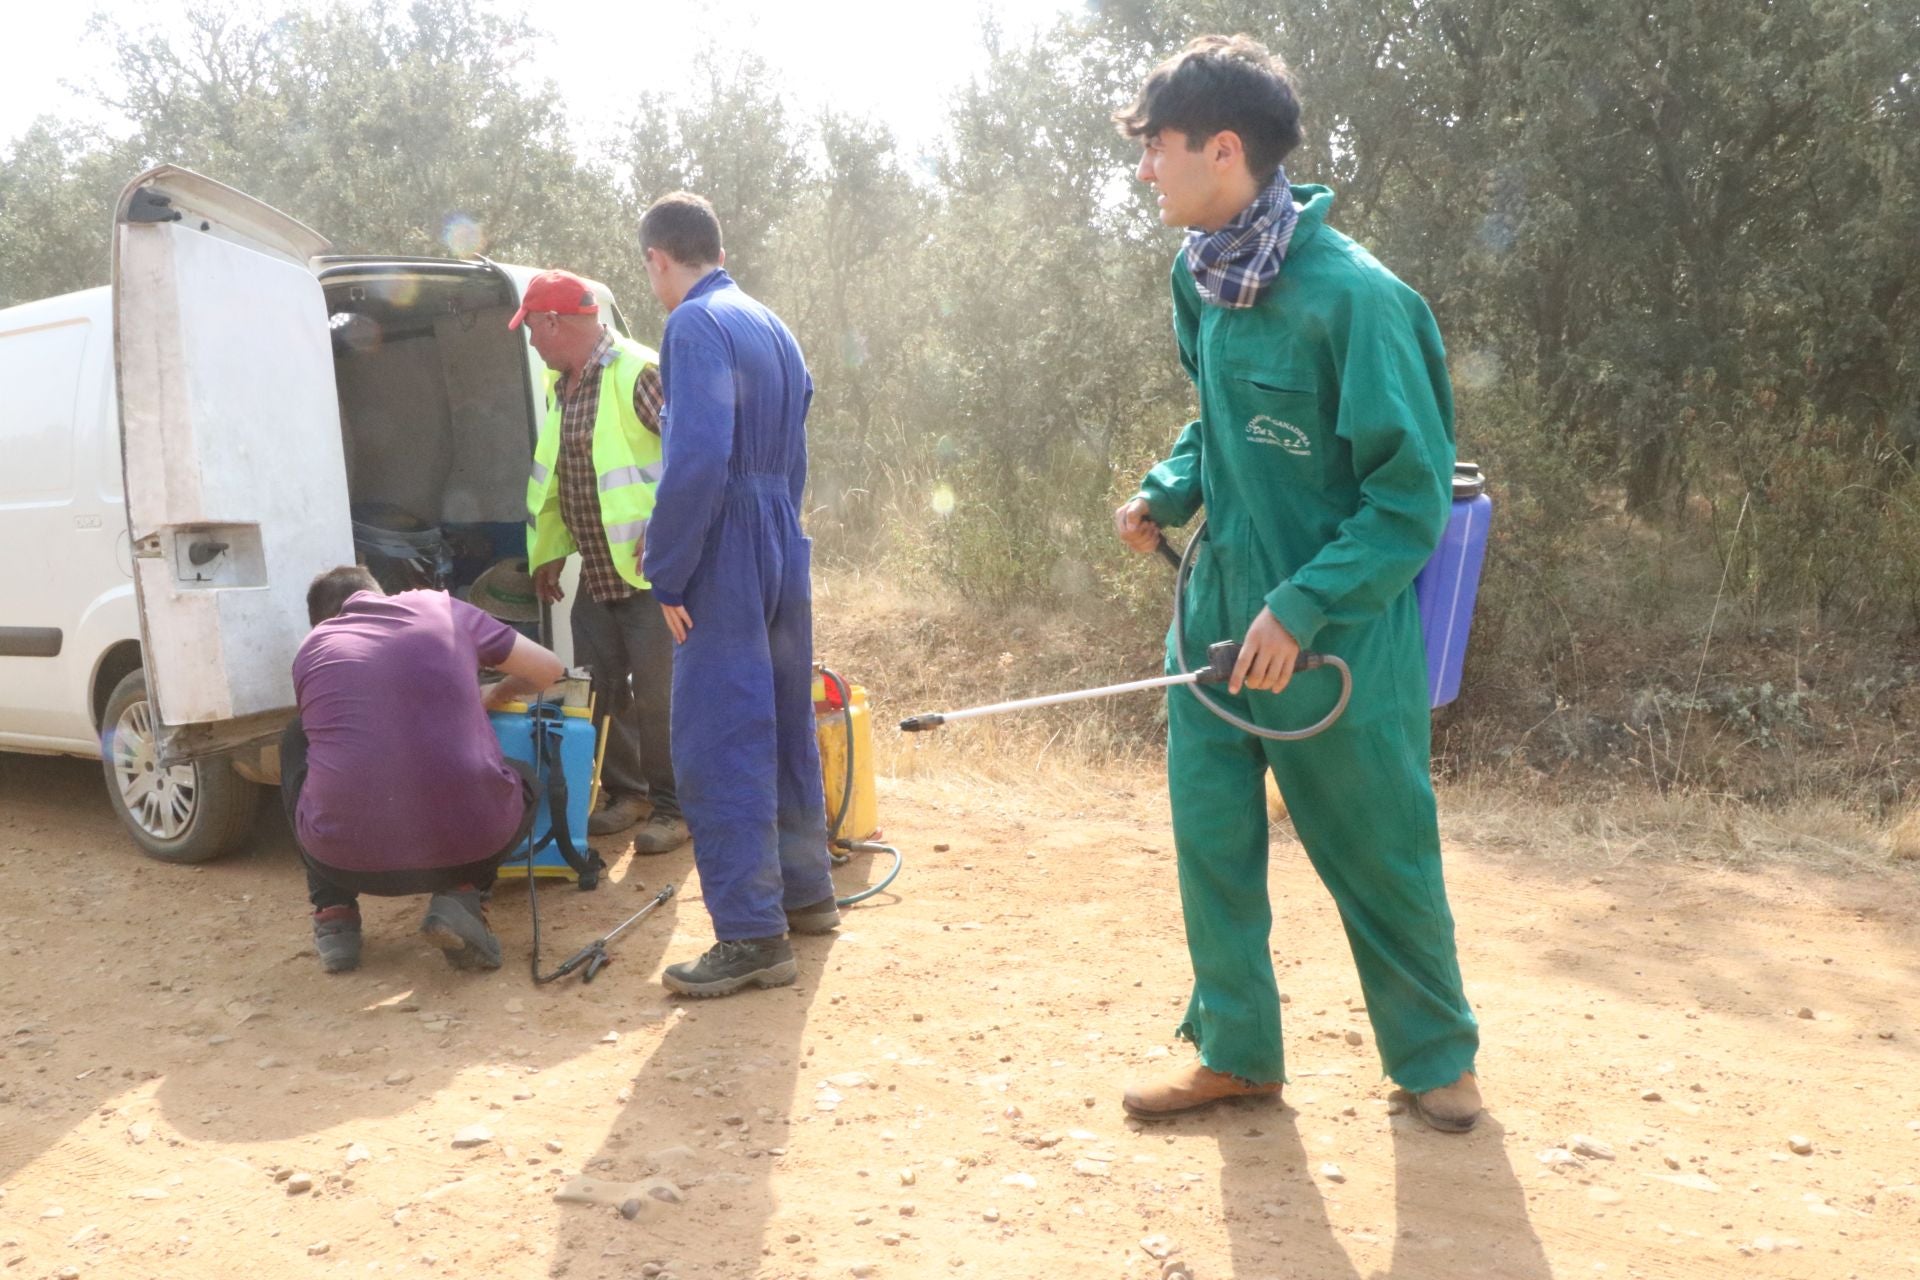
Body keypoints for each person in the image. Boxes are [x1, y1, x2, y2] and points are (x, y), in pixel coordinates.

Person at [1112, 35, 1483, 1132]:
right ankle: (1235, 1052)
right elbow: (1217, 423)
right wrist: (1167, 488)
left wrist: (1304, 606)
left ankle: (1435, 1056)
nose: (1146, 170)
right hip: (1215, 617)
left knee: (1380, 847)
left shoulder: (1357, 300)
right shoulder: (1199, 275)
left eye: (1159, 148)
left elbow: (1409, 500)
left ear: (1223, 150)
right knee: (1211, 840)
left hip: (1335, 637)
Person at [637, 191, 839, 998]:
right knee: (784, 721)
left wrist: (668, 570)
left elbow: (696, 457)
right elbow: (796, 450)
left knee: (720, 735)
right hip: (780, 533)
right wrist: (778, 526)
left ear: (658, 259)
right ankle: (806, 895)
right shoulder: (772, 324)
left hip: (725, 541)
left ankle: (752, 936)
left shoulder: (693, 324)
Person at [285, 566, 565, 974]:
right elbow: (550, 669)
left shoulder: (312, 648)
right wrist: (498, 691)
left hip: (342, 860)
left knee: (297, 738)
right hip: (469, 850)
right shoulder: (441, 608)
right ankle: (462, 895)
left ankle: (334, 915)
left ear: (323, 621)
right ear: (380, 595)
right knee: (524, 779)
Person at [514, 268, 690, 852]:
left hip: (654, 575)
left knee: (662, 697)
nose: (531, 342)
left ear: (554, 321)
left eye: (531, 328)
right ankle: (628, 793)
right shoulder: (559, 385)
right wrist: (549, 553)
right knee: (599, 688)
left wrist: (665, 529)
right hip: (597, 568)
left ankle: (676, 808)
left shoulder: (641, 372)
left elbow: (695, 457)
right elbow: (559, 476)